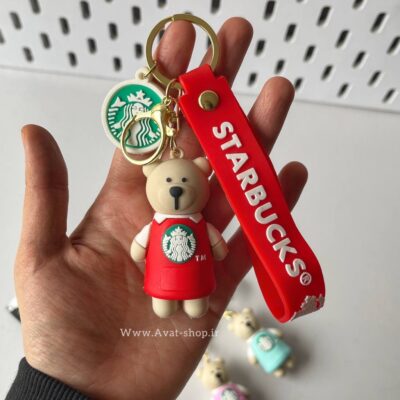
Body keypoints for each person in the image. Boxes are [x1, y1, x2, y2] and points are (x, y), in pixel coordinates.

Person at [6, 18, 308, 400]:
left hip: (197, 280)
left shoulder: (196, 221)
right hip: (161, 282)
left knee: (196, 300)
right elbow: (144, 244)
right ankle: (167, 298)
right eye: (168, 182)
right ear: (150, 179)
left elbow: (209, 242)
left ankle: (189, 299)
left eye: (184, 181)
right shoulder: (159, 222)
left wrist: (215, 247)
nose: (177, 188)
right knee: (165, 300)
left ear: (202, 174)